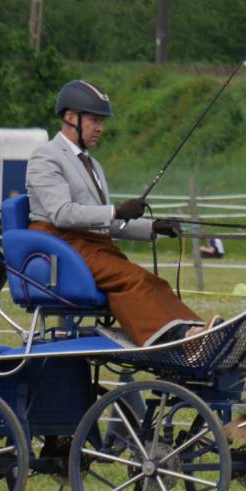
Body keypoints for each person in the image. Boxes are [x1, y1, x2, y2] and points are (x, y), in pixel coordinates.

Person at [25, 80, 217, 345]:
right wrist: (116, 211)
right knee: (132, 278)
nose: (100, 128)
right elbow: (62, 214)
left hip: (92, 244)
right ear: (70, 117)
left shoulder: (93, 165)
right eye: (93, 120)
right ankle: (177, 339)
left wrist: (152, 227)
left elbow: (104, 223)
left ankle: (192, 330)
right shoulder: (46, 157)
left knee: (153, 281)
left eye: (101, 122)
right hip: (62, 245)